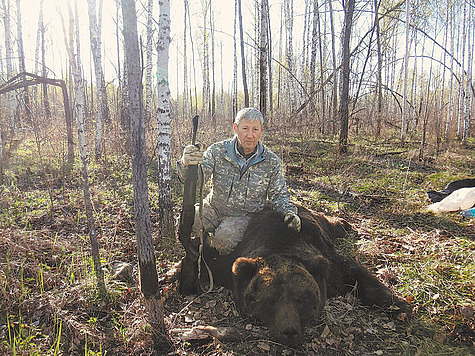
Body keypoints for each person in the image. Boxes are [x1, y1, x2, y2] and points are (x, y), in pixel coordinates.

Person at [178, 107, 300, 254]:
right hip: (213, 207)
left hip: (243, 216)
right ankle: (198, 250)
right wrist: (186, 163)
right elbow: (195, 180)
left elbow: (279, 196)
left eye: (255, 129)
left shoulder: (271, 162)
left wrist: (289, 213)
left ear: (262, 130)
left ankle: (211, 256)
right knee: (186, 223)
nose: (250, 135)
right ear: (236, 128)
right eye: (245, 128)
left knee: (222, 242)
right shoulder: (217, 151)